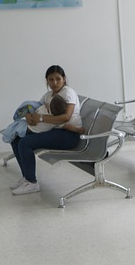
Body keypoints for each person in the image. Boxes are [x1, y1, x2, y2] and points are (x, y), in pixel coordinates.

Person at [9, 65, 83, 195]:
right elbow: (35, 108)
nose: (54, 83)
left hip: (68, 135)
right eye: (51, 79)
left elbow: (66, 117)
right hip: (56, 131)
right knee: (15, 138)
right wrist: (28, 115)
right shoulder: (49, 95)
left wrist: (41, 118)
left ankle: (32, 183)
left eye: (58, 79)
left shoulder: (67, 92)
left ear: (64, 79)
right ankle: (26, 177)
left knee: (25, 143)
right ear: (47, 81)